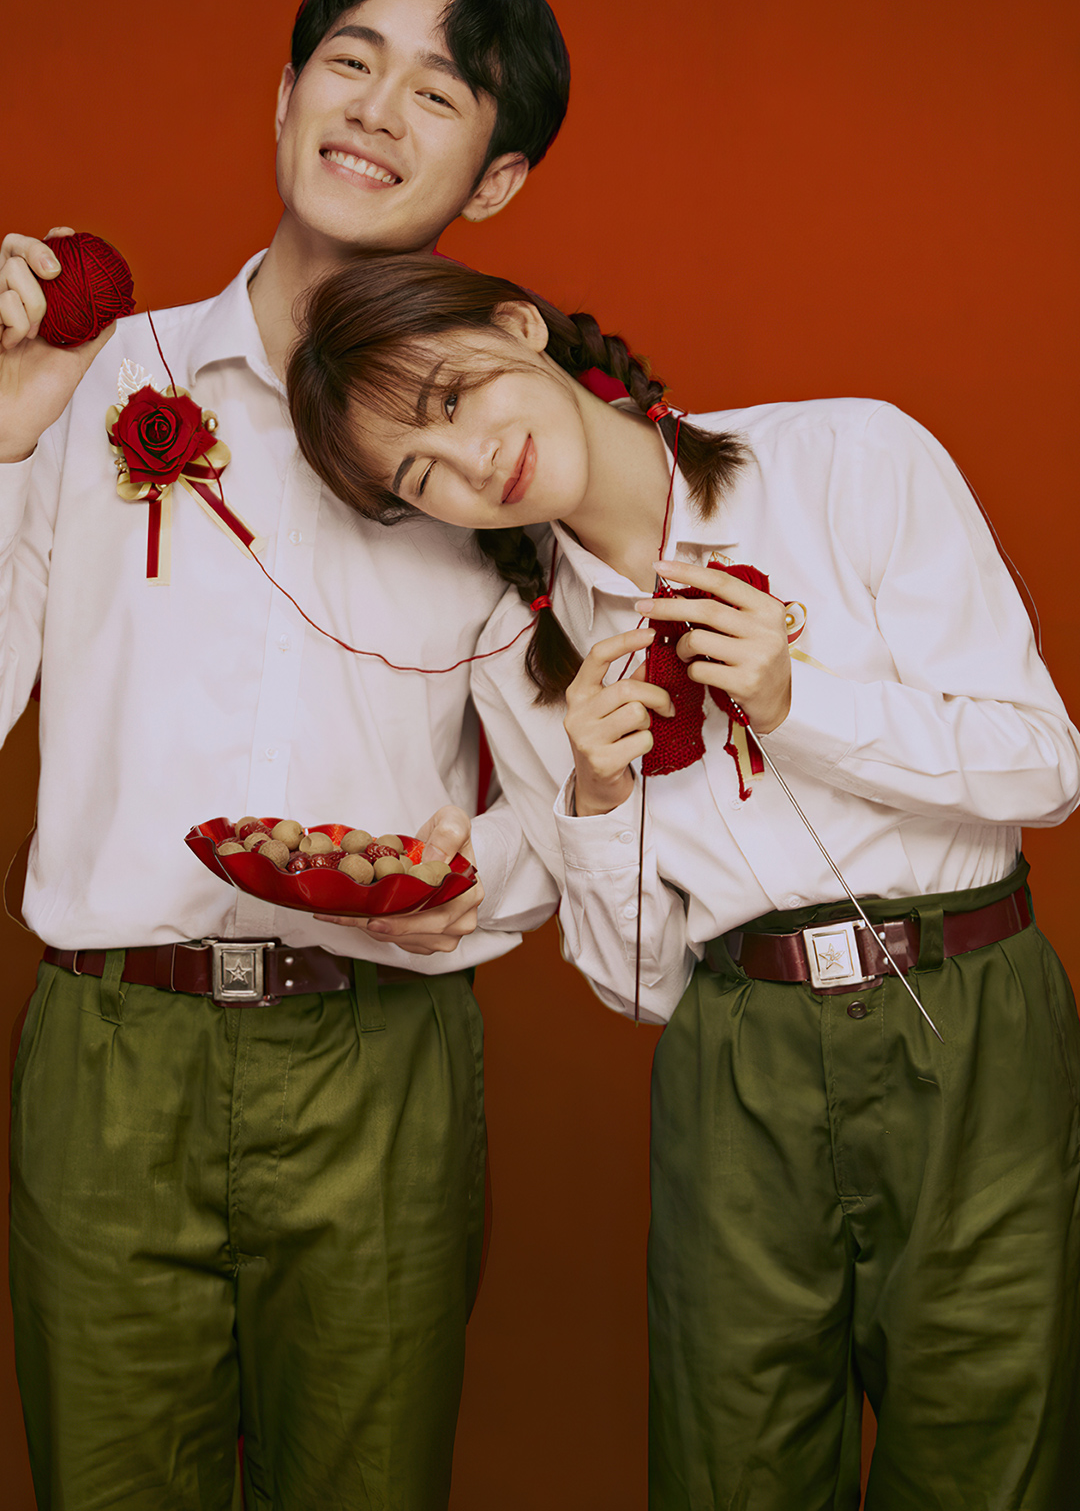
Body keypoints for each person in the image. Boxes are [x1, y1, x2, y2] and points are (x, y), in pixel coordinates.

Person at [0, 0, 569, 1510]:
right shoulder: (93, 375)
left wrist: (470, 883)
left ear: (498, 178)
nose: (375, 110)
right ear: (284, 93)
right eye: (350, 62)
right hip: (113, 1058)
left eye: (437, 93)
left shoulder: (501, 445)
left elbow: (565, 798)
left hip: (379, 1054)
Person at [285, 251, 1080, 1509]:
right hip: (738, 1060)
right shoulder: (525, 652)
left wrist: (796, 702)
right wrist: (595, 802)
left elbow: (1045, 766)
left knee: (995, 1446)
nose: (472, 461)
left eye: (453, 396)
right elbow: (643, 988)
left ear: (519, 326)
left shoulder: (849, 459)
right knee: (731, 1463)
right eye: (419, 475)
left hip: (966, 1004)